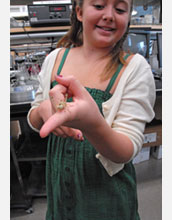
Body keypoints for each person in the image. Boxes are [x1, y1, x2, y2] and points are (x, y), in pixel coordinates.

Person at [27, 0, 156, 219]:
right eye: (98, 6)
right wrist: (43, 111)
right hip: (61, 196)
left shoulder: (134, 69)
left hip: (108, 200)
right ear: (79, 12)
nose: (109, 15)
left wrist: (92, 124)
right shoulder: (55, 60)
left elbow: (127, 150)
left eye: (120, 9)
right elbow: (34, 115)